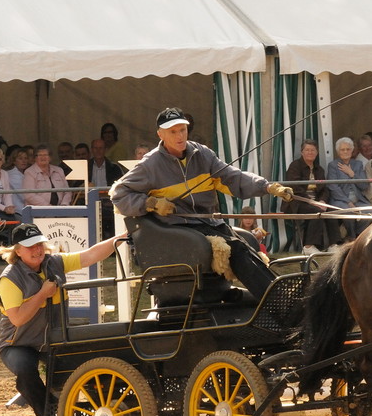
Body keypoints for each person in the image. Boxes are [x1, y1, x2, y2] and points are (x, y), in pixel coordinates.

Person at [110, 107, 292, 298]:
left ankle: (269, 298)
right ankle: (276, 300)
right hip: (178, 229)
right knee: (235, 248)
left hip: (209, 224)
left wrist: (267, 187)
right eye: (173, 131)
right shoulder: (150, 165)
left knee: (247, 242)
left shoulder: (202, 154)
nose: (180, 136)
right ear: (160, 134)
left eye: (183, 130)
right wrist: (152, 203)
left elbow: (232, 177)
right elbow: (118, 194)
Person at [0, 223, 127, 416]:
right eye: (30, 246)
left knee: (85, 364)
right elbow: (18, 319)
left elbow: (91, 255)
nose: (37, 250)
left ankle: (106, 410)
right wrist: (42, 294)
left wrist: (122, 237)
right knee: (25, 371)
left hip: (54, 340)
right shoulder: (9, 279)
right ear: (17, 251)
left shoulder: (54, 262)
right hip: (18, 344)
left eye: (39, 244)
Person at [283, 139, 342, 255]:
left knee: (332, 211)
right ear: (302, 152)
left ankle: (333, 245)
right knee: (316, 212)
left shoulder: (319, 169)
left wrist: (323, 201)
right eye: (307, 150)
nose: (310, 152)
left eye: (313, 150)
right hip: (297, 202)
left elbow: (324, 188)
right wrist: (311, 201)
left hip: (316, 202)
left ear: (317, 152)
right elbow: (295, 188)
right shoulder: (295, 166)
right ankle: (308, 246)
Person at [326, 136, 371, 240]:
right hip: (340, 200)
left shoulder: (358, 164)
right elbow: (333, 187)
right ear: (338, 152)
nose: (345, 151)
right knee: (348, 212)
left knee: (370, 212)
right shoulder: (333, 165)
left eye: (348, 149)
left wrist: (352, 174)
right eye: (342, 149)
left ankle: (358, 235)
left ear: (352, 150)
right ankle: (351, 236)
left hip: (358, 199)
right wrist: (348, 202)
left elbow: (364, 185)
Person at [7, 148, 30, 215]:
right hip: (17, 211)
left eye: (26, 158)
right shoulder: (13, 175)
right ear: (14, 161)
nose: (24, 161)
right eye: (20, 158)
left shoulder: (25, 173)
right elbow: (24, 195)